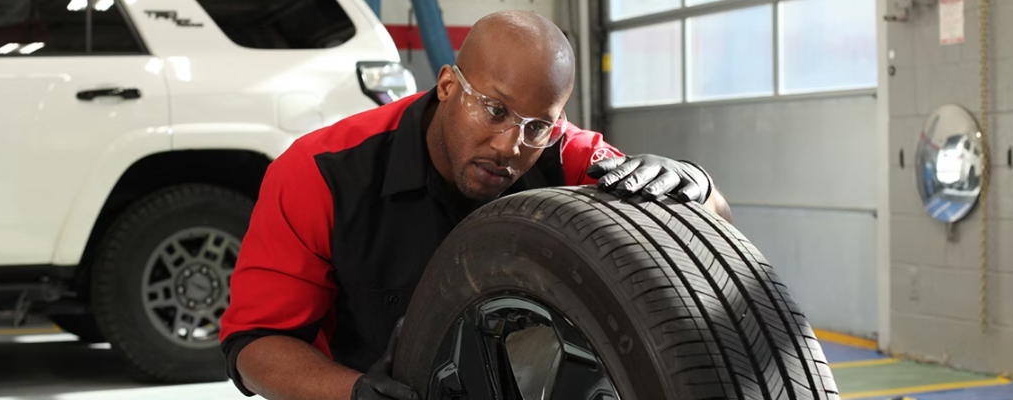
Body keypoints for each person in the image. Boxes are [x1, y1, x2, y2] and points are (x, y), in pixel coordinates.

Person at [218, 10, 733, 400]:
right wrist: (354, 394)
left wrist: (698, 189)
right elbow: (256, 345)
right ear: (447, 86)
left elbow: (706, 252)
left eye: (537, 126)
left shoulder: (567, 156)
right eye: (495, 110)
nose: (511, 147)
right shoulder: (319, 174)